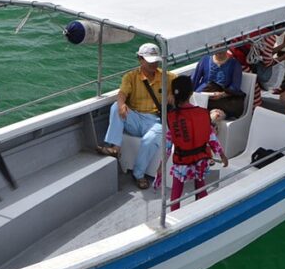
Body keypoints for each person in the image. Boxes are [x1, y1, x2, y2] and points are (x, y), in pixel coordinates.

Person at [96, 43, 177, 189]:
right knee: (115, 107)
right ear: (140, 59)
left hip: (156, 120)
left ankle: (139, 174)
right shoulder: (130, 77)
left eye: (156, 61)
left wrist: (173, 94)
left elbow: (183, 88)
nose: (154, 64)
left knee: (149, 140)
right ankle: (115, 147)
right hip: (135, 118)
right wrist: (121, 104)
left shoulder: (168, 77)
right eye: (150, 61)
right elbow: (122, 94)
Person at [162, 76, 228, 211]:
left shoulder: (172, 117)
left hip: (182, 162)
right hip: (200, 160)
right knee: (201, 185)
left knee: (176, 192)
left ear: (173, 95)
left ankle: (175, 214)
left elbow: (168, 145)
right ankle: (202, 210)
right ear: (191, 93)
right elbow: (212, 138)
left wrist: (161, 165)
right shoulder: (202, 114)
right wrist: (222, 155)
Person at [190, 48, 245, 123]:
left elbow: (235, 87)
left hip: (222, 102)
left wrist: (222, 95)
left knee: (215, 116)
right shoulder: (204, 60)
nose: (219, 49)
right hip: (203, 98)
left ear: (227, 46)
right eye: (216, 46)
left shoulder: (234, 64)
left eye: (221, 46)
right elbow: (194, 81)